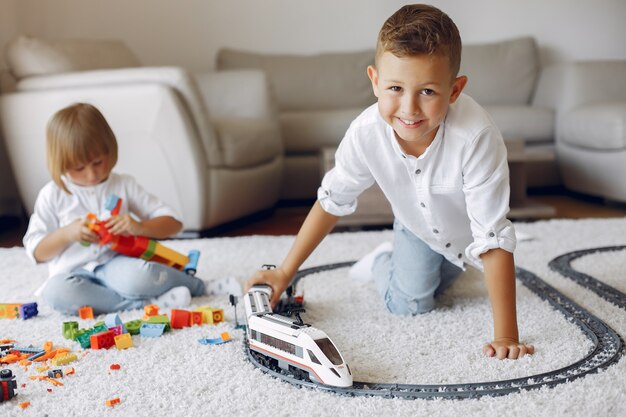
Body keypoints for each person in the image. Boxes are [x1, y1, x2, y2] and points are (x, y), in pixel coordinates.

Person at [245, 4, 534, 360]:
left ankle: (449, 263)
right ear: (375, 81)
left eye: (427, 91)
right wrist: (285, 272)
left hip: (468, 234)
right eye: (395, 87)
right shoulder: (366, 133)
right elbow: (332, 200)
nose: (409, 108)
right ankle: (385, 259)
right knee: (409, 302)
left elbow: (491, 237)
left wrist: (506, 335)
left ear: (455, 90)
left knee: (462, 265)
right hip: (416, 228)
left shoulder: (476, 137)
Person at [23, 102, 206, 315]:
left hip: (116, 265)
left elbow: (173, 224)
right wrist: (66, 234)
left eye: (98, 162)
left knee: (142, 276)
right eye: (79, 168)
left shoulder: (123, 185)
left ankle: (199, 286)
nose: (91, 174)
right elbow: (36, 251)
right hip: (73, 274)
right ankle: (146, 304)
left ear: (110, 149)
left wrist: (139, 226)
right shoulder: (52, 194)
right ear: (59, 164)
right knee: (56, 293)